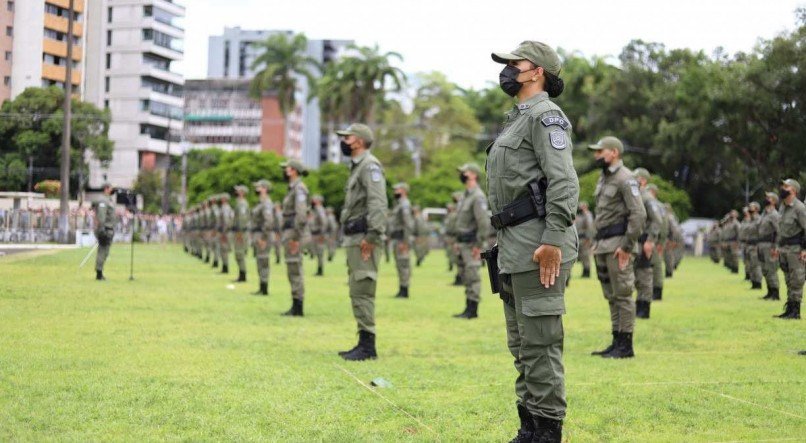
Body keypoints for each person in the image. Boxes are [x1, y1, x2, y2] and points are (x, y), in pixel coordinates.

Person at [488, 41, 579, 442]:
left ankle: (547, 433)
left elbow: (564, 181)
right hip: (514, 246)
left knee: (540, 344)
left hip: (539, 246)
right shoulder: (517, 120)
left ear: (536, 71)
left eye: (514, 63)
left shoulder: (546, 117)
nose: (508, 69)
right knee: (522, 344)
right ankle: (529, 428)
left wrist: (554, 239)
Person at [589, 136, 646, 358]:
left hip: (618, 246)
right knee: (611, 295)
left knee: (623, 295)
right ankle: (616, 341)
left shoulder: (626, 178)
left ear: (614, 152)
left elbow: (638, 214)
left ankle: (626, 345)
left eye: (600, 151)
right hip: (604, 245)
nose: (597, 155)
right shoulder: (603, 179)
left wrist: (626, 245)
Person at [336, 123, 387, 361]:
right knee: (358, 290)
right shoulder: (358, 167)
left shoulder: (369, 166)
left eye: (346, 138)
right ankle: (362, 341)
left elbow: (378, 204)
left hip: (364, 239)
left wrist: (372, 236)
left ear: (357, 141)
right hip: (355, 238)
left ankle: (368, 347)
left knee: (363, 290)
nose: (343, 142)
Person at [452, 163, 491, 319]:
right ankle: (468, 306)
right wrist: (456, 241)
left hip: (472, 243)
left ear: (474, 175)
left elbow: (483, 222)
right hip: (462, 243)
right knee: (466, 276)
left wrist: (479, 244)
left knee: (473, 275)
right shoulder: (465, 196)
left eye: (465, 172)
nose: (462, 175)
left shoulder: (478, 196)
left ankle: (472, 309)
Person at [631, 168, 663, 319]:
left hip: (644, 240)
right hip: (634, 239)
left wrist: (650, 241)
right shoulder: (636, 195)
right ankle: (638, 306)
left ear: (643, 180)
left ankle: (644, 308)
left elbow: (657, 220)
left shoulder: (648, 197)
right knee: (636, 275)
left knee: (644, 274)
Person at [771, 179, 805, 319]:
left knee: (797, 280)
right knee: (788, 280)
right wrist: (777, 247)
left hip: (796, 249)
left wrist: (804, 249)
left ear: (794, 191)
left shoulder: (800, 208)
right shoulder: (783, 207)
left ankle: (795, 312)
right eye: (783, 186)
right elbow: (781, 230)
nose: (783, 188)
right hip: (784, 249)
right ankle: (789, 309)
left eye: (786, 186)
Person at [280, 160, 310, 316]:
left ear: (294, 171)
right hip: (290, 232)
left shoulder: (299, 189)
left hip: (294, 233)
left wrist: (296, 238)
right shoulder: (293, 188)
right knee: (292, 268)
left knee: (295, 268)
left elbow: (301, 215)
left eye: (287, 168)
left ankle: (298, 307)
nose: (285, 170)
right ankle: (295, 304)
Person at [390, 182, 415, 298]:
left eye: (397, 190)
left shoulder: (404, 204)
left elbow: (408, 224)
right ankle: (401, 288)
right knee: (400, 265)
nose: (395, 192)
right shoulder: (399, 204)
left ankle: (404, 290)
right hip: (397, 239)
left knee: (403, 265)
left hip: (401, 239)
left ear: (404, 191)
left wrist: (405, 242)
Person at [251, 180, 275, 296]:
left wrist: (264, 238)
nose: (256, 189)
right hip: (258, 234)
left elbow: (269, 221)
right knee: (260, 261)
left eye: (259, 187)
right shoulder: (261, 202)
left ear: (265, 189)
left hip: (262, 235)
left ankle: (264, 288)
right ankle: (261, 287)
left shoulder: (266, 203)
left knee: (263, 261)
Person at [647, 184, 668, 300]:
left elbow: (664, 225)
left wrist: (661, 242)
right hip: (649, 239)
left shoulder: (658, 206)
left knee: (656, 265)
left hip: (655, 240)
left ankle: (657, 290)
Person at [758, 192, 781, 300]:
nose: (766, 199)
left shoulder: (774, 215)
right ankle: (769, 291)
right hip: (761, 244)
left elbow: (778, 232)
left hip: (769, 245)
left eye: (769, 198)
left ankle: (775, 293)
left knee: (771, 269)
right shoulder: (764, 214)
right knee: (765, 269)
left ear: (774, 201)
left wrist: (775, 247)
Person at [94, 183, 117, 281]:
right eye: (111, 188)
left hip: (109, 229)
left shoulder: (109, 200)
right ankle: (99, 273)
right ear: (106, 189)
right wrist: (101, 229)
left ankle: (99, 271)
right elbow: (101, 216)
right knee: (103, 251)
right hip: (105, 229)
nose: (112, 190)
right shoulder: (103, 200)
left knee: (105, 251)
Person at [232, 185, 251, 283]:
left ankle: (243, 275)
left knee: (240, 253)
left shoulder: (242, 203)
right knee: (238, 253)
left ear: (242, 192)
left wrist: (239, 231)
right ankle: (241, 274)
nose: (236, 191)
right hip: (239, 231)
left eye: (238, 190)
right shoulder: (239, 202)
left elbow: (243, 218)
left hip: (241, 231)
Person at [746, 202, 763, 290]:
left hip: (756, 245)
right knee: (751, 265)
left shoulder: (759, 219)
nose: (749, 209)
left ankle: (758, 283)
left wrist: (758, 245)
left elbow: (761, 233)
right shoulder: (750, 220)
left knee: (756, 265)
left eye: (751, 207)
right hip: (749, 246)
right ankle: (753, 283)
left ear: (756, 209)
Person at [310, 195, 328, 276]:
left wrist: (322, 235)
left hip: (319, 234)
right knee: (318, 253)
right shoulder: (317, 209)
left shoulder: (319, 209)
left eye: (314, 199)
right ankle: (319, 270)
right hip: (316, 234)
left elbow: (324, 222)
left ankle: (320, 271)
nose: (312, 200)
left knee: (320, 253)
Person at [575, 201, 595, 278]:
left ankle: (587, 273)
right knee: (579, 257)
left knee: (585, 257)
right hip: (578, 239)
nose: (580, 208)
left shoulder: (588, 215)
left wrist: (589, 239)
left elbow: (590, 228)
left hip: (585, 239)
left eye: (582, 206)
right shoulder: (578, 216)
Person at [218, 194, 234, 274]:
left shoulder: (225, 208)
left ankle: (225, 268)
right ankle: (224, 267)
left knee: (224, 250)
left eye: (222, 198)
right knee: (223, 250)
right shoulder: (224, 207)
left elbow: (226, 221)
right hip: (225, 231)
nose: (221, 199)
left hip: (225, 232)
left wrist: (224, 233)